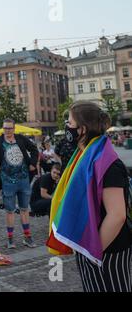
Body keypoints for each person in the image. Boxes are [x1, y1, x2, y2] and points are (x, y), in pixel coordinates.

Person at [48, 101, 132, 292]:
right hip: (90, 245)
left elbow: (117, 215)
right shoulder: (84, 156)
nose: (66, 126)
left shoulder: (107, 163)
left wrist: (93, 250)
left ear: (82, 129)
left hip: (107, 249)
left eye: (69, 122)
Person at [0, 119, 39, 249]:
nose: (7, 131)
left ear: (14, 128)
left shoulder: (21, 139)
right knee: (10, 211)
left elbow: (34, 149)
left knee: (24, 209)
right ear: (3, 128)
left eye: (10, 128)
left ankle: (27, 237)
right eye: (5, 128)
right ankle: (10, 239)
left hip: (23, 180)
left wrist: (32, 163)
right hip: (7, 182)